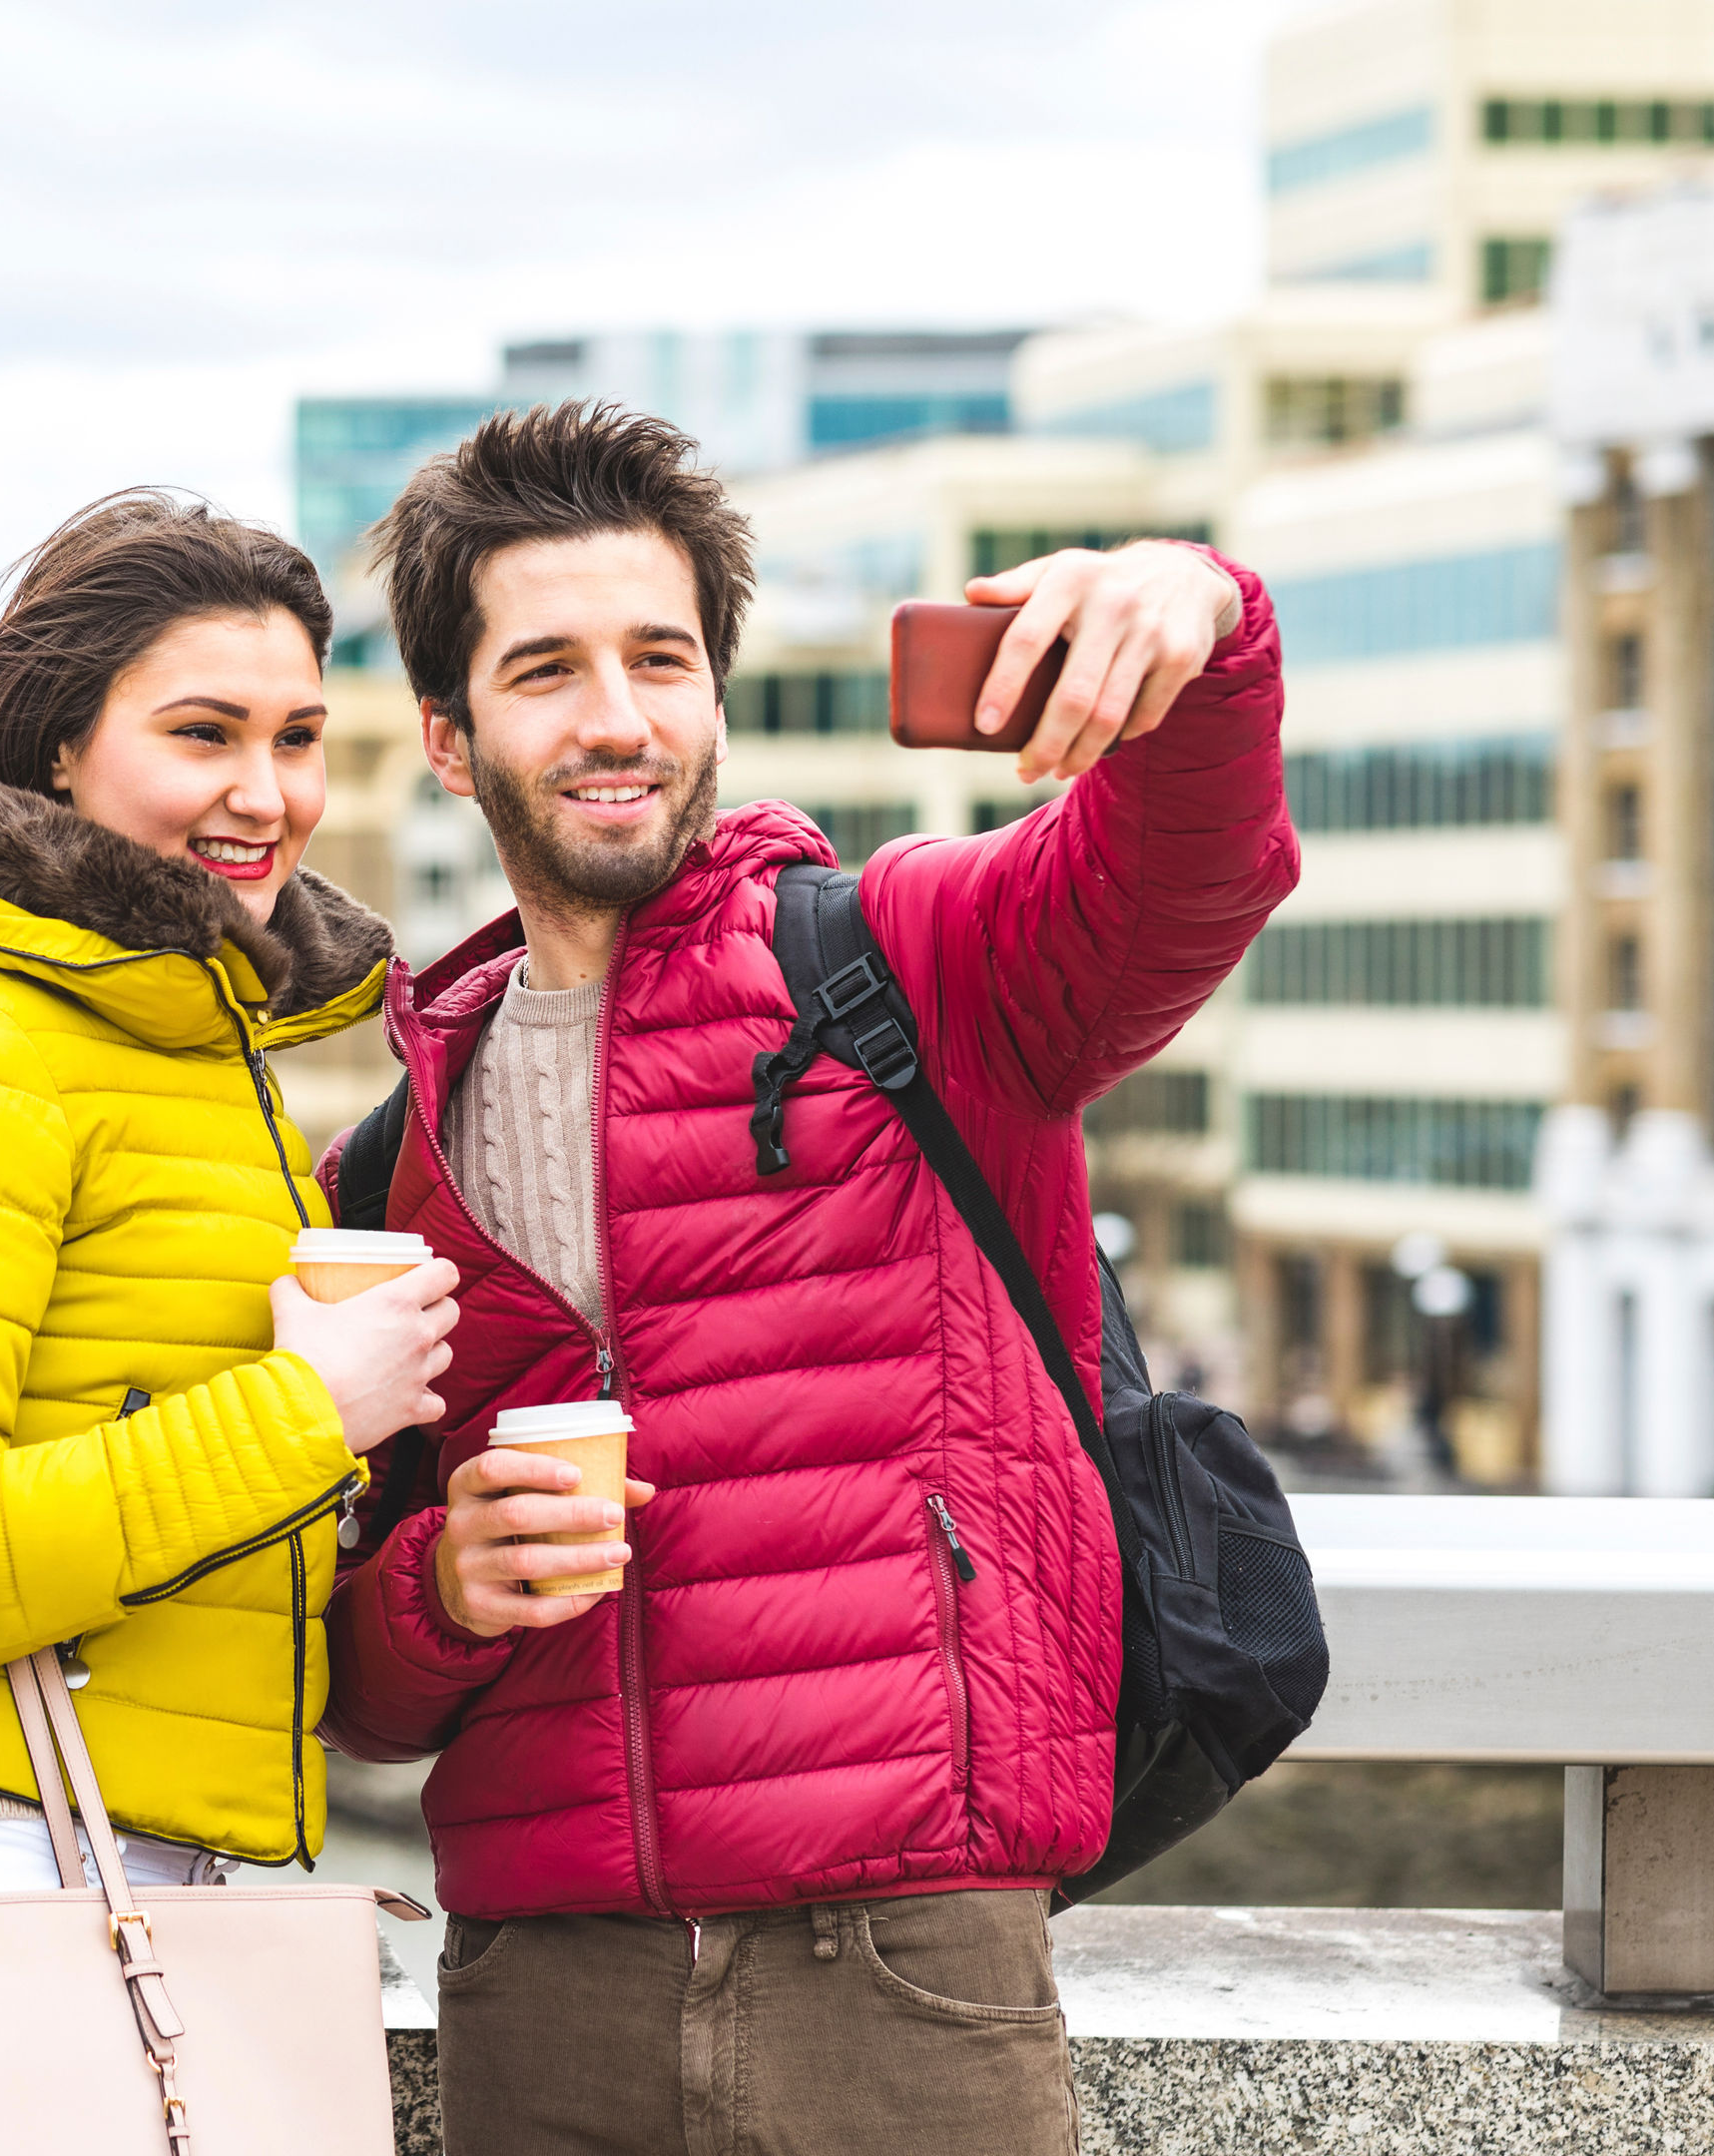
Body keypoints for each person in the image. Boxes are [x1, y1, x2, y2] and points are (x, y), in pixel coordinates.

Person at [317, 403, 1292, 2154]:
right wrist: (442, 1593)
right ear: (451, 741)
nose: (615, 717)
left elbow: (1182, 880)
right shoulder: (397, 1158)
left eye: (659, 659)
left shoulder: (910, 964)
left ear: (713, 695)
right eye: (546, 670)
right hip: (543, 1991)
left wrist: (1201, 620)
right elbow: (366, 1707)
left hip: (906, 1966)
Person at [0, 489, 461, 1902]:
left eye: (296, 738)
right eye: (203, 733)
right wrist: (303, 1414)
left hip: (97, 1869)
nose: (268, 793)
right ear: (63, 751)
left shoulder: (186, 1045)